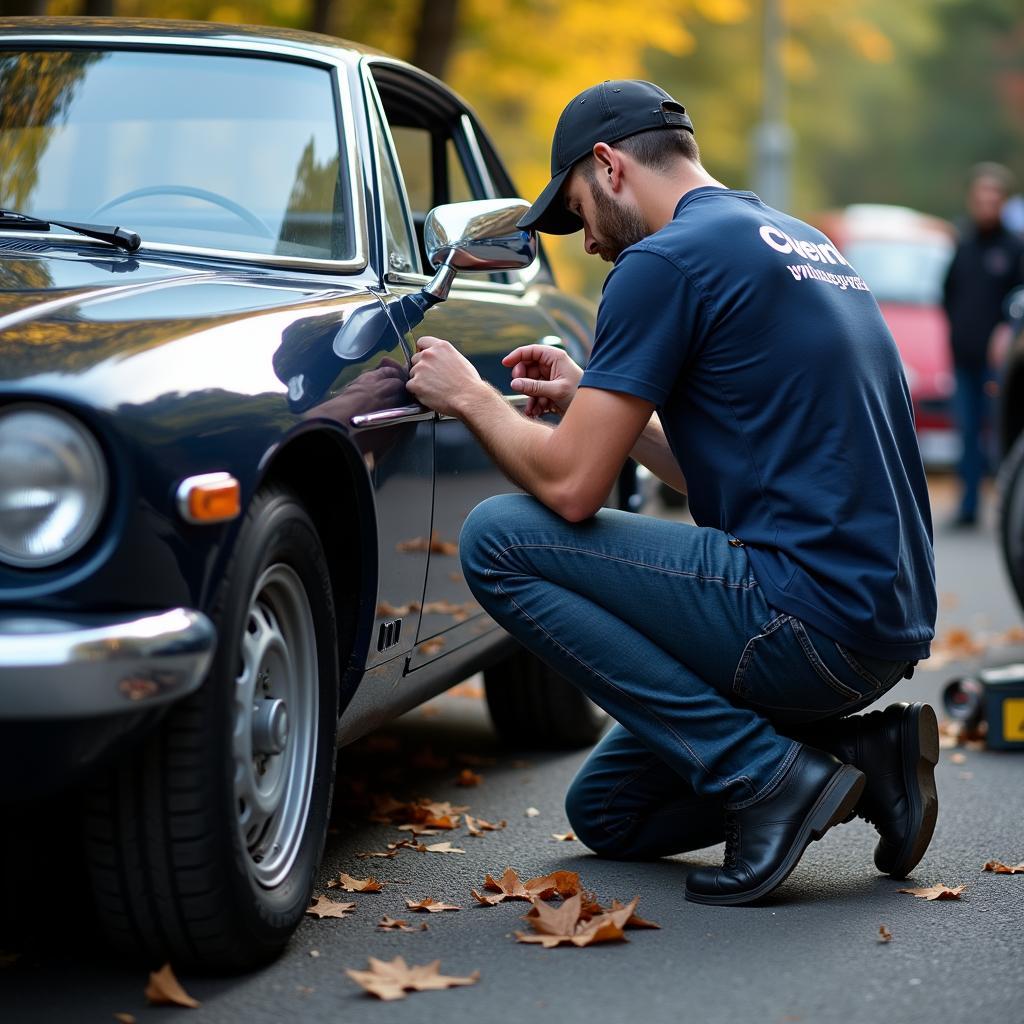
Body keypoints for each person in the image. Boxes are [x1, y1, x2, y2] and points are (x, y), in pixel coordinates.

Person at [406, 80, 938, 905]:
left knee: (498, 539)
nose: (585, 243)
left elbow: (572, 489)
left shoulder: (664, 259)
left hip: (805, 619)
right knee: (610, 812)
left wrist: (468, 397)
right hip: (876, 626)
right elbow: (740, 469)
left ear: (610, 166)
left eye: (578, 210)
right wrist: (593, 394)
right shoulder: (793, 241)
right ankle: (869, 756)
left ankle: (767, 777)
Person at [941, 163, 1024, 527]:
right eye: (981, 196)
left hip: (1001, 365)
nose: (986, 202)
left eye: (994, 196)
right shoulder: (964, 243)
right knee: (967, 434)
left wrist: (1006, 332)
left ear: (1003, 201)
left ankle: (1008, 513)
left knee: (1001, 439)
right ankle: (969, 507)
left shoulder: (1015, 248)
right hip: (963, 359)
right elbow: (948, 293)